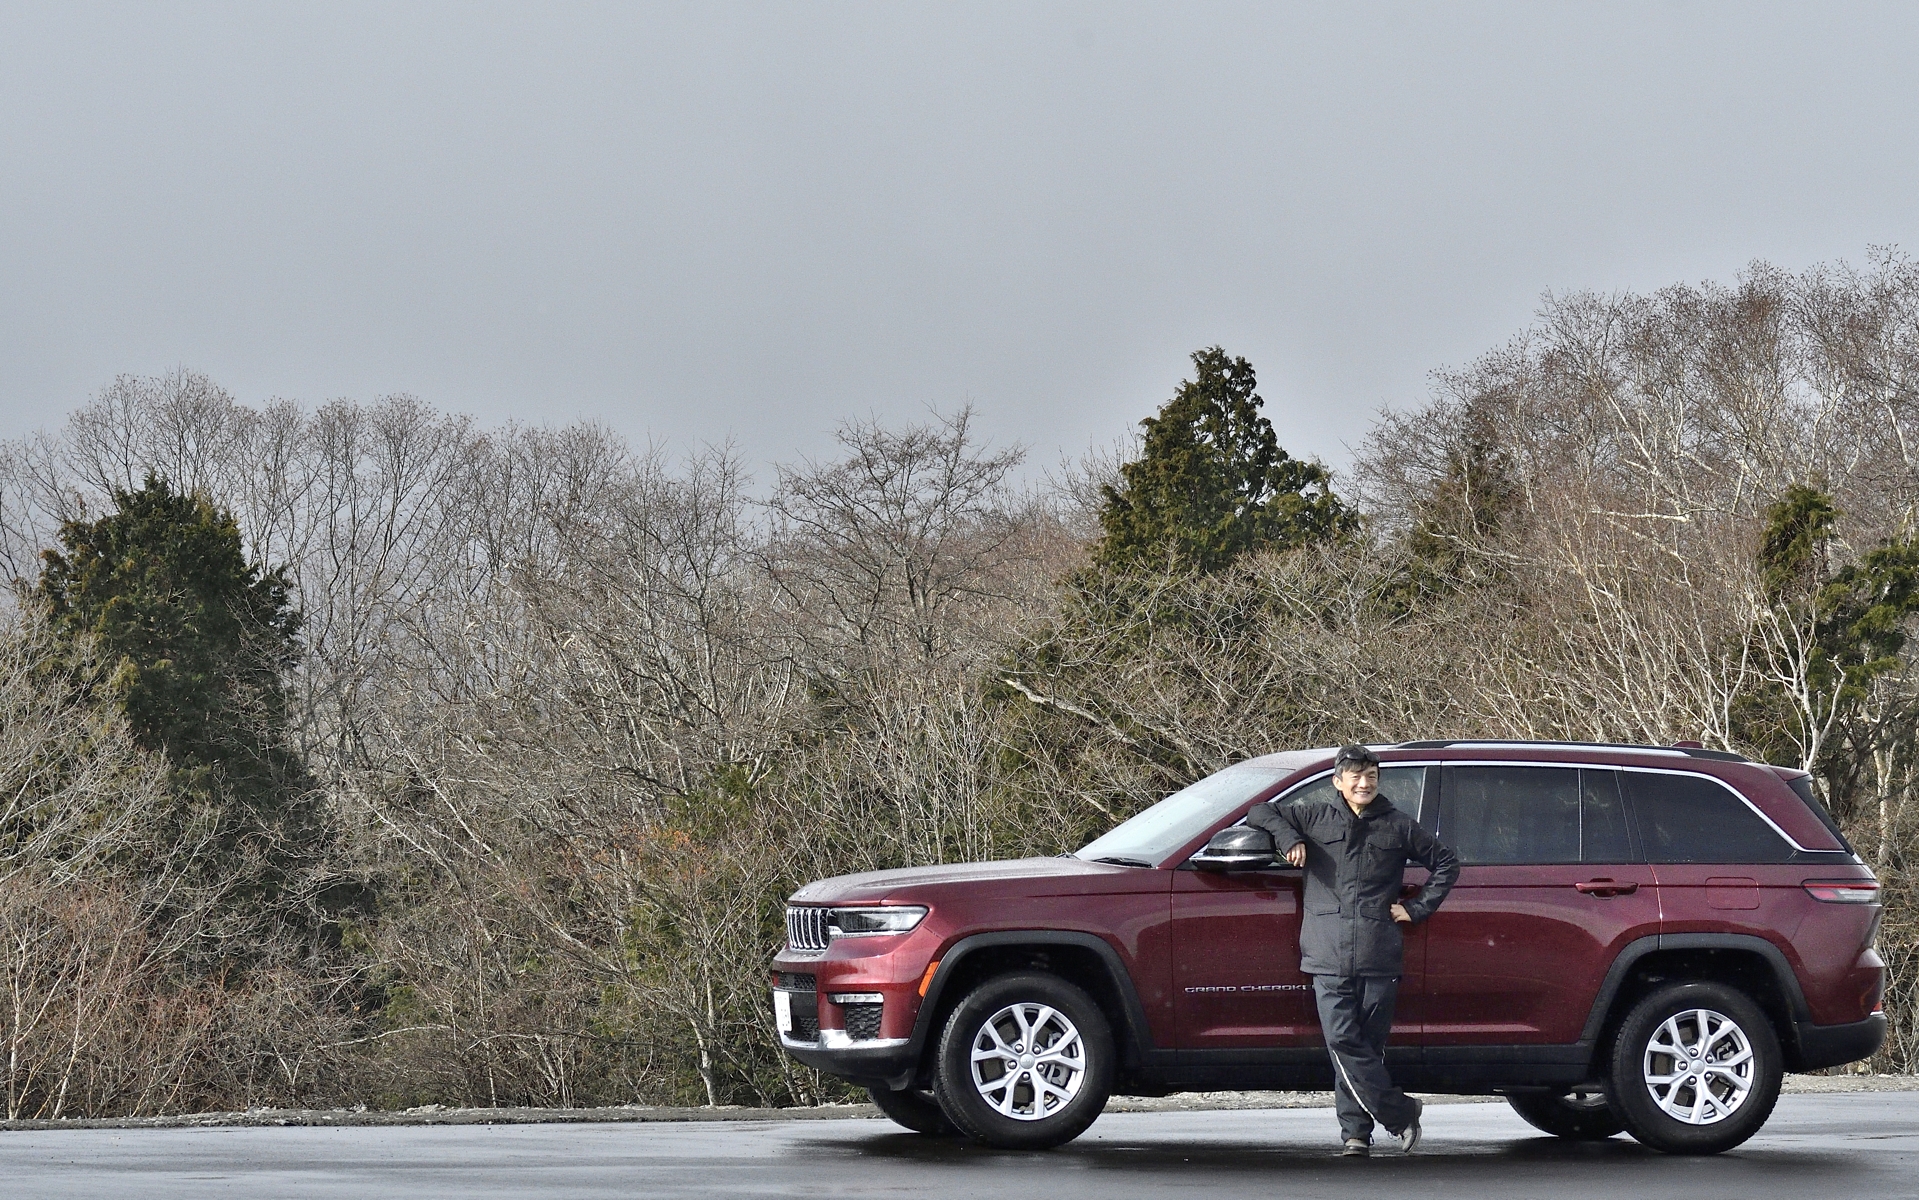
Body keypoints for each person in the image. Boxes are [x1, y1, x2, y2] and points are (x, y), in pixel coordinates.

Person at [1247, 743, 1459, 1157]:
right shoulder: (1313, 816)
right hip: (1327, 951)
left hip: (1379, 952)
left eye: (1371, 777)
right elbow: (1259, 810)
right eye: (1356, 777)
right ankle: (1400, 1114)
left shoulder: (1398, 826)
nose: (1364, 784)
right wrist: (1289, 837)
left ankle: (1356, 1136)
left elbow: (1447, 862)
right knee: (1343, 1040)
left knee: (1365, 1047)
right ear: (1338, 782)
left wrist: (1416, 909)